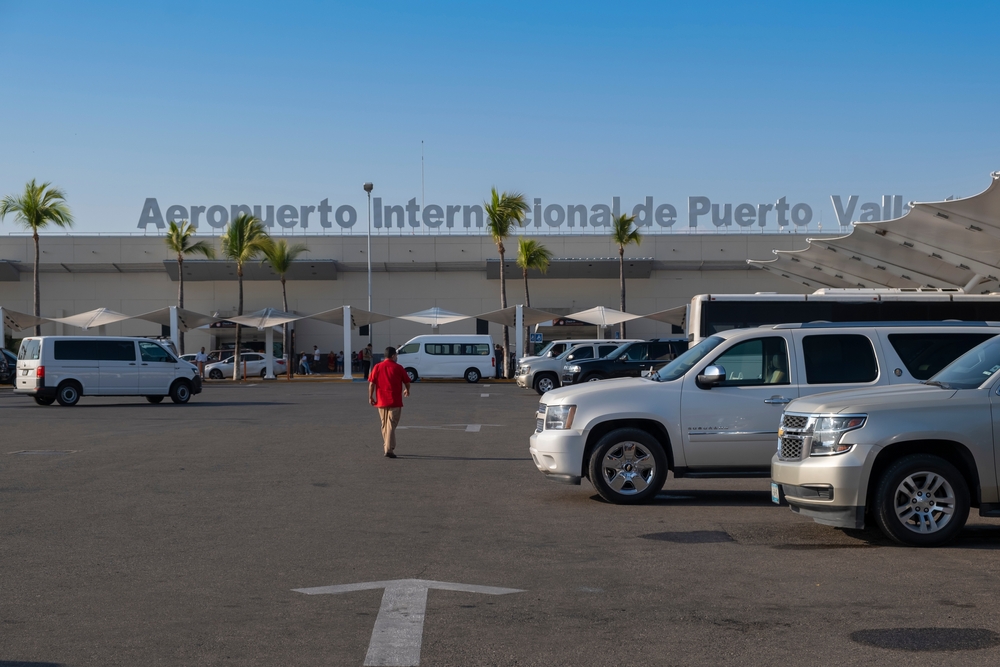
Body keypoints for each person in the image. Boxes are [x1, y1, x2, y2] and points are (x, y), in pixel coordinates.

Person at [368, 346, 411, 458]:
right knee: (391, 425)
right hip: (394, 401)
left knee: (384, 425)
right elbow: (407, 381)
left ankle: (387, 445)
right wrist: (407, 390)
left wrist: (370, 397)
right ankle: (389, 449)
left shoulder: (377, 367)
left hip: (381, 402)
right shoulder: (398, 368)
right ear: (393, 356)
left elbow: (371, 383)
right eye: (396, 355)